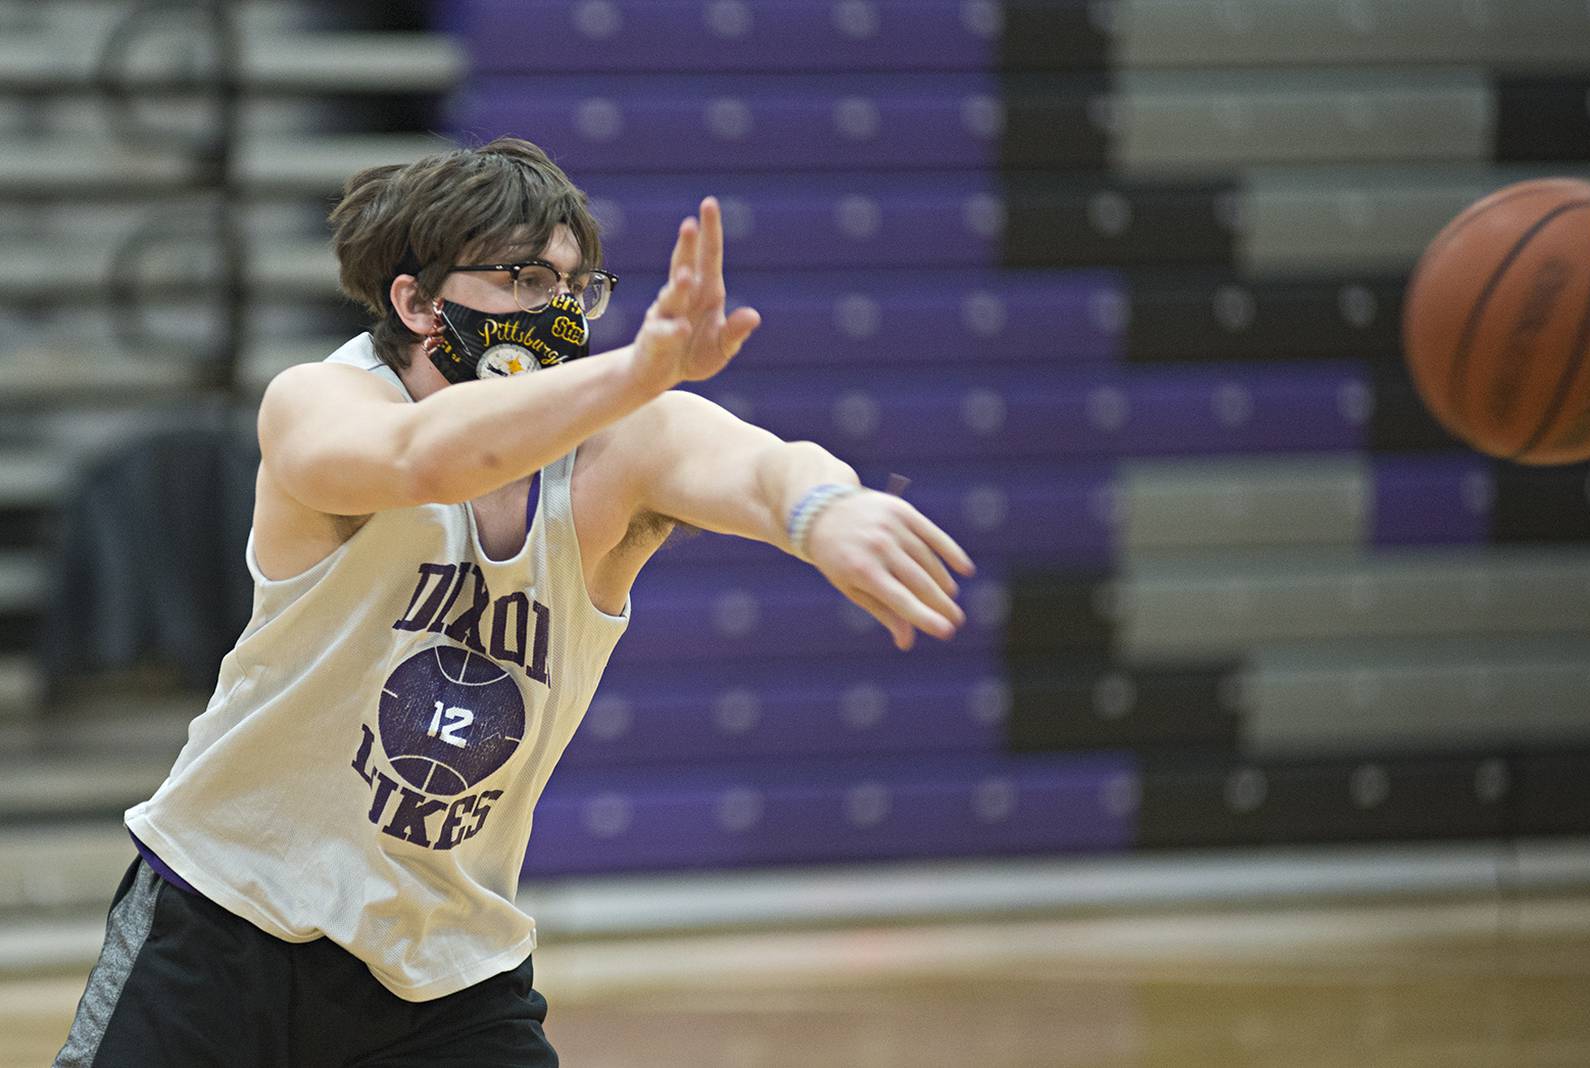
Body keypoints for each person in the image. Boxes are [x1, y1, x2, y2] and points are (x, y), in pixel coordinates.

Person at [56, 137, 974, 1067]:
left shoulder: (619, 445)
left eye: (575, 289)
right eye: (525, 281)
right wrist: (633, 368)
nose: (560, 312)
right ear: (417, 303)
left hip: (446, 962)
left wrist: (825, 510)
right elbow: (427, 458)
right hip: (224, 915)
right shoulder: (319, 402)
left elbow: (760, 460)